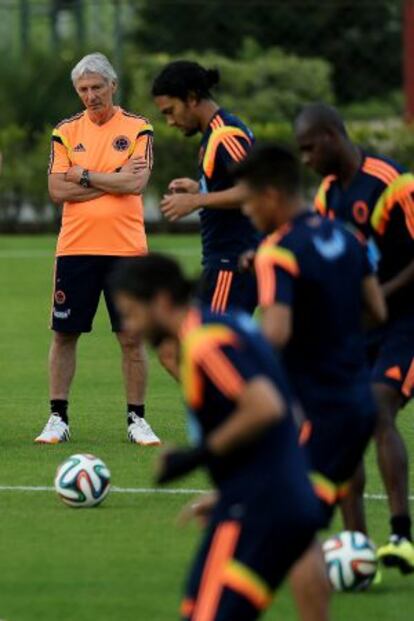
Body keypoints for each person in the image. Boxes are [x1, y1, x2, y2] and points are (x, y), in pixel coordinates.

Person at [110, 254, 330, 621]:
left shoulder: (203, 343)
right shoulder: (232, 325)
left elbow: (265, 407)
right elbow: (289, 412)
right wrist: (228, 488)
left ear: (162, 302)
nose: (130, 326)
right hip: (279, 497)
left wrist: (194, 457)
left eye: (133, 312)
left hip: (256, 509)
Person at [234, 144, 385, 533]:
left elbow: (277, 333)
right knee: (315, 502)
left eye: (248, 203)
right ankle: (356, 551)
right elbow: (377, 311)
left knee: (288, 523)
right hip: (358, 400)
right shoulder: (348, 236)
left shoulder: (276, 251)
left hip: (317, 408)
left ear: (270, 195)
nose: (247, 213)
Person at [295, 102, 414, 572]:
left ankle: (402, 536)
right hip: (359, 329)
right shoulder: (327, 195)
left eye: (308, 149)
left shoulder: (393, 184)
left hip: (407, 323)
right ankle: (357, 545)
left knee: (378, 406)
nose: (305, 159)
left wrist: (376, 296)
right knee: (343, 423)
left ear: (329, 137)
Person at [35, 52, 160, 446]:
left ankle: (136, 420)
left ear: (113, 86)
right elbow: (57, 190)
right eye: (83, 89)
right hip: (76, 248)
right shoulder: (66, 132)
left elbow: (135, 185)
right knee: (65, 333)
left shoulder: (138, 128)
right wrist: (113, 177)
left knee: (131, 337)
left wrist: (85, 175)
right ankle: (57, 418)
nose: (90, 96)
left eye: (96, 88)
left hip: (127, 250)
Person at [152, 60, 259, 316]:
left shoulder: (225, 134)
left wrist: (196, 201)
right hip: (222, 261)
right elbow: (233, 185)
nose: (169, 121)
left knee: (211, 347)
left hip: (231, 262)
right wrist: (199, 188)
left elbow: (255, 189)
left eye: (170, 111)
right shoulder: (212, 133)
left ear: (191, 98)